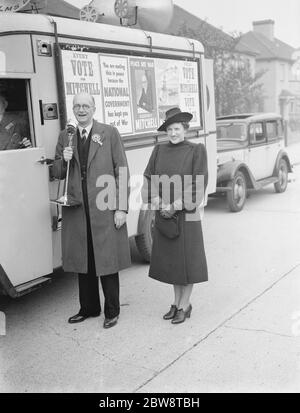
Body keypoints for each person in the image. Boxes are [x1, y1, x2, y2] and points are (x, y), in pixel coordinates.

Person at [52, 92, 131, 329]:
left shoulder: (109, 133)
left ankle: (112, 311)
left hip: (104, 207)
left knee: (106, 259)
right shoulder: (66, 136)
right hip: (77, 208)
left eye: (86, 105)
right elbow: (56, 173)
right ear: (73, 110)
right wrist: (63, 160)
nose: (81, 109)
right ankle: (88, 308)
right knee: (83, 259)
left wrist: (121, 208)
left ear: (94, 108)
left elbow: (122, 170)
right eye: (77, 106)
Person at [142, 107, 208, 324]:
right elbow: (149, 178)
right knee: (173, 263)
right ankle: (176, 302)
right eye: (169, 129)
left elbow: (199, 183)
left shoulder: (197, 150)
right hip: (164, 213)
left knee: (187, 262)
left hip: (186, 215)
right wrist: (160, 203)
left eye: (177, 128)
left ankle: (185, 305)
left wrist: (176, 205)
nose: (173, 133)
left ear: (185, 129)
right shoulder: (159, 150)